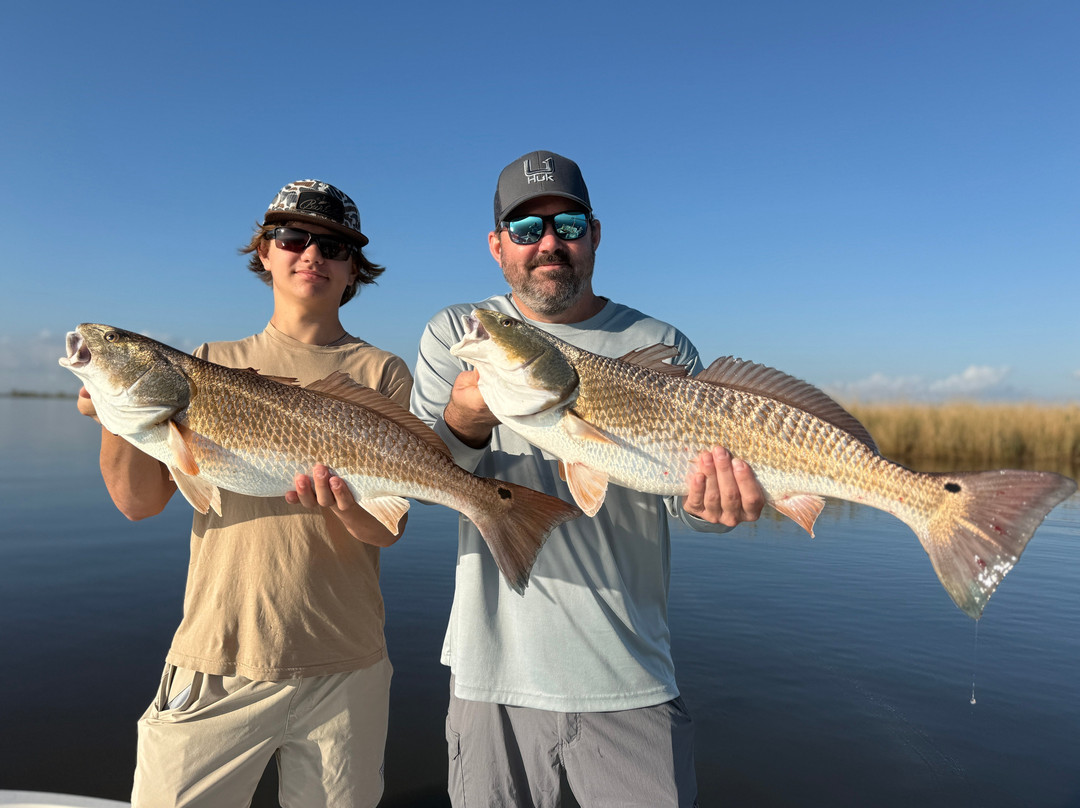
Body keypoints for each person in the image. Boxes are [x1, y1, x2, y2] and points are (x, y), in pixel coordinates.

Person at [410, 151, 766, 807]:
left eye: (567, 225)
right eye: (525, 229)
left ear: (594, 235)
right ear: (496, 246)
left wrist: (719, 504)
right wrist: (462, 418)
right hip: (494, 679)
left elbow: (689, 502)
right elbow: (418, 477)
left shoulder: (660, 342)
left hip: (632, 676)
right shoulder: (458, 333)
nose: (549, 244)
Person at [76, 179, 412, 807]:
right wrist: (115, 417)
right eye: (294, 237)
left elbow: (386, 528)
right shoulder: (208, 362)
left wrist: (348, 507)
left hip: (346, 666)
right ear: (264, 252)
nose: (312, 253)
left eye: (335, 246)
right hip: (217, 659)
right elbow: (139, 503)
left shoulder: (381, 372)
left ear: (353, 272)